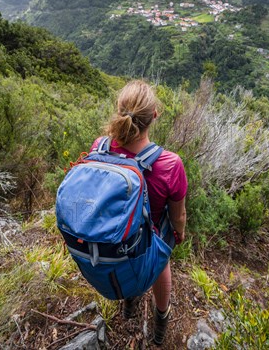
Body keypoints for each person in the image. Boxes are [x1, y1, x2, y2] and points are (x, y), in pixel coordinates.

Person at [90, 80, 187, 345]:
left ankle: (130, 301)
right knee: (162, 249)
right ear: (154, 116)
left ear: (119, 112)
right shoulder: (169, 164)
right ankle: (161, 321)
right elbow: (178, 217)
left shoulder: (100, 146)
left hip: (110, 241)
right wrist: (179, 234)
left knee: (133, 242)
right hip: (144, 243)